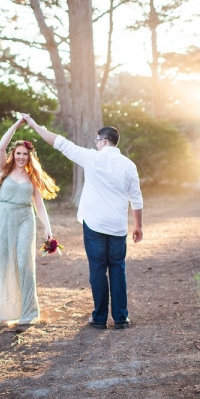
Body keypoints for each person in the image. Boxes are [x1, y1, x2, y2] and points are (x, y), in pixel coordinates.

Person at [22, 113, 143, 330]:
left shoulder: (91, 158)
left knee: (97, 269)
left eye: (97, 141)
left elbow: (58, 142)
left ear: (104, 141)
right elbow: (136, 198)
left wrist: (32, 124)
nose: (96, 144)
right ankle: (121, 317)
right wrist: (138, 226)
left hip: (95, 224)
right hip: (117, 226)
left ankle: (99, 318)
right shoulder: (128, 165)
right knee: (117, 268)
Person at [0, 116, 59, 328]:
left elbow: (39, 204)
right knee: (1, 263)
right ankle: (0, 311)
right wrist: (16, 125)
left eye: (24, 154)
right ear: (14, 155)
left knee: (24, 263)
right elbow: (1, 147)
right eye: (18, 153)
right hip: (4, 219)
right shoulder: (4, 171)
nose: (21, 157)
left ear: (30, 157)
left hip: (24, 220)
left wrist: (48, 228)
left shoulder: (32, 178)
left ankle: (28, 313)